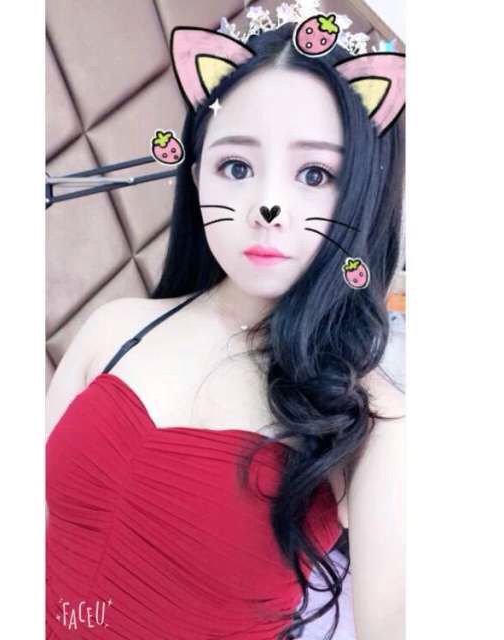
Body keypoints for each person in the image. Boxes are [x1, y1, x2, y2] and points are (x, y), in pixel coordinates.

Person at [46, 19, 405, 640]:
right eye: (236, 166)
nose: (268, 208)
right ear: (196, 176)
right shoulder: (113, 328)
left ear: (359, 198)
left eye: (315, 175)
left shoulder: (372, 423)